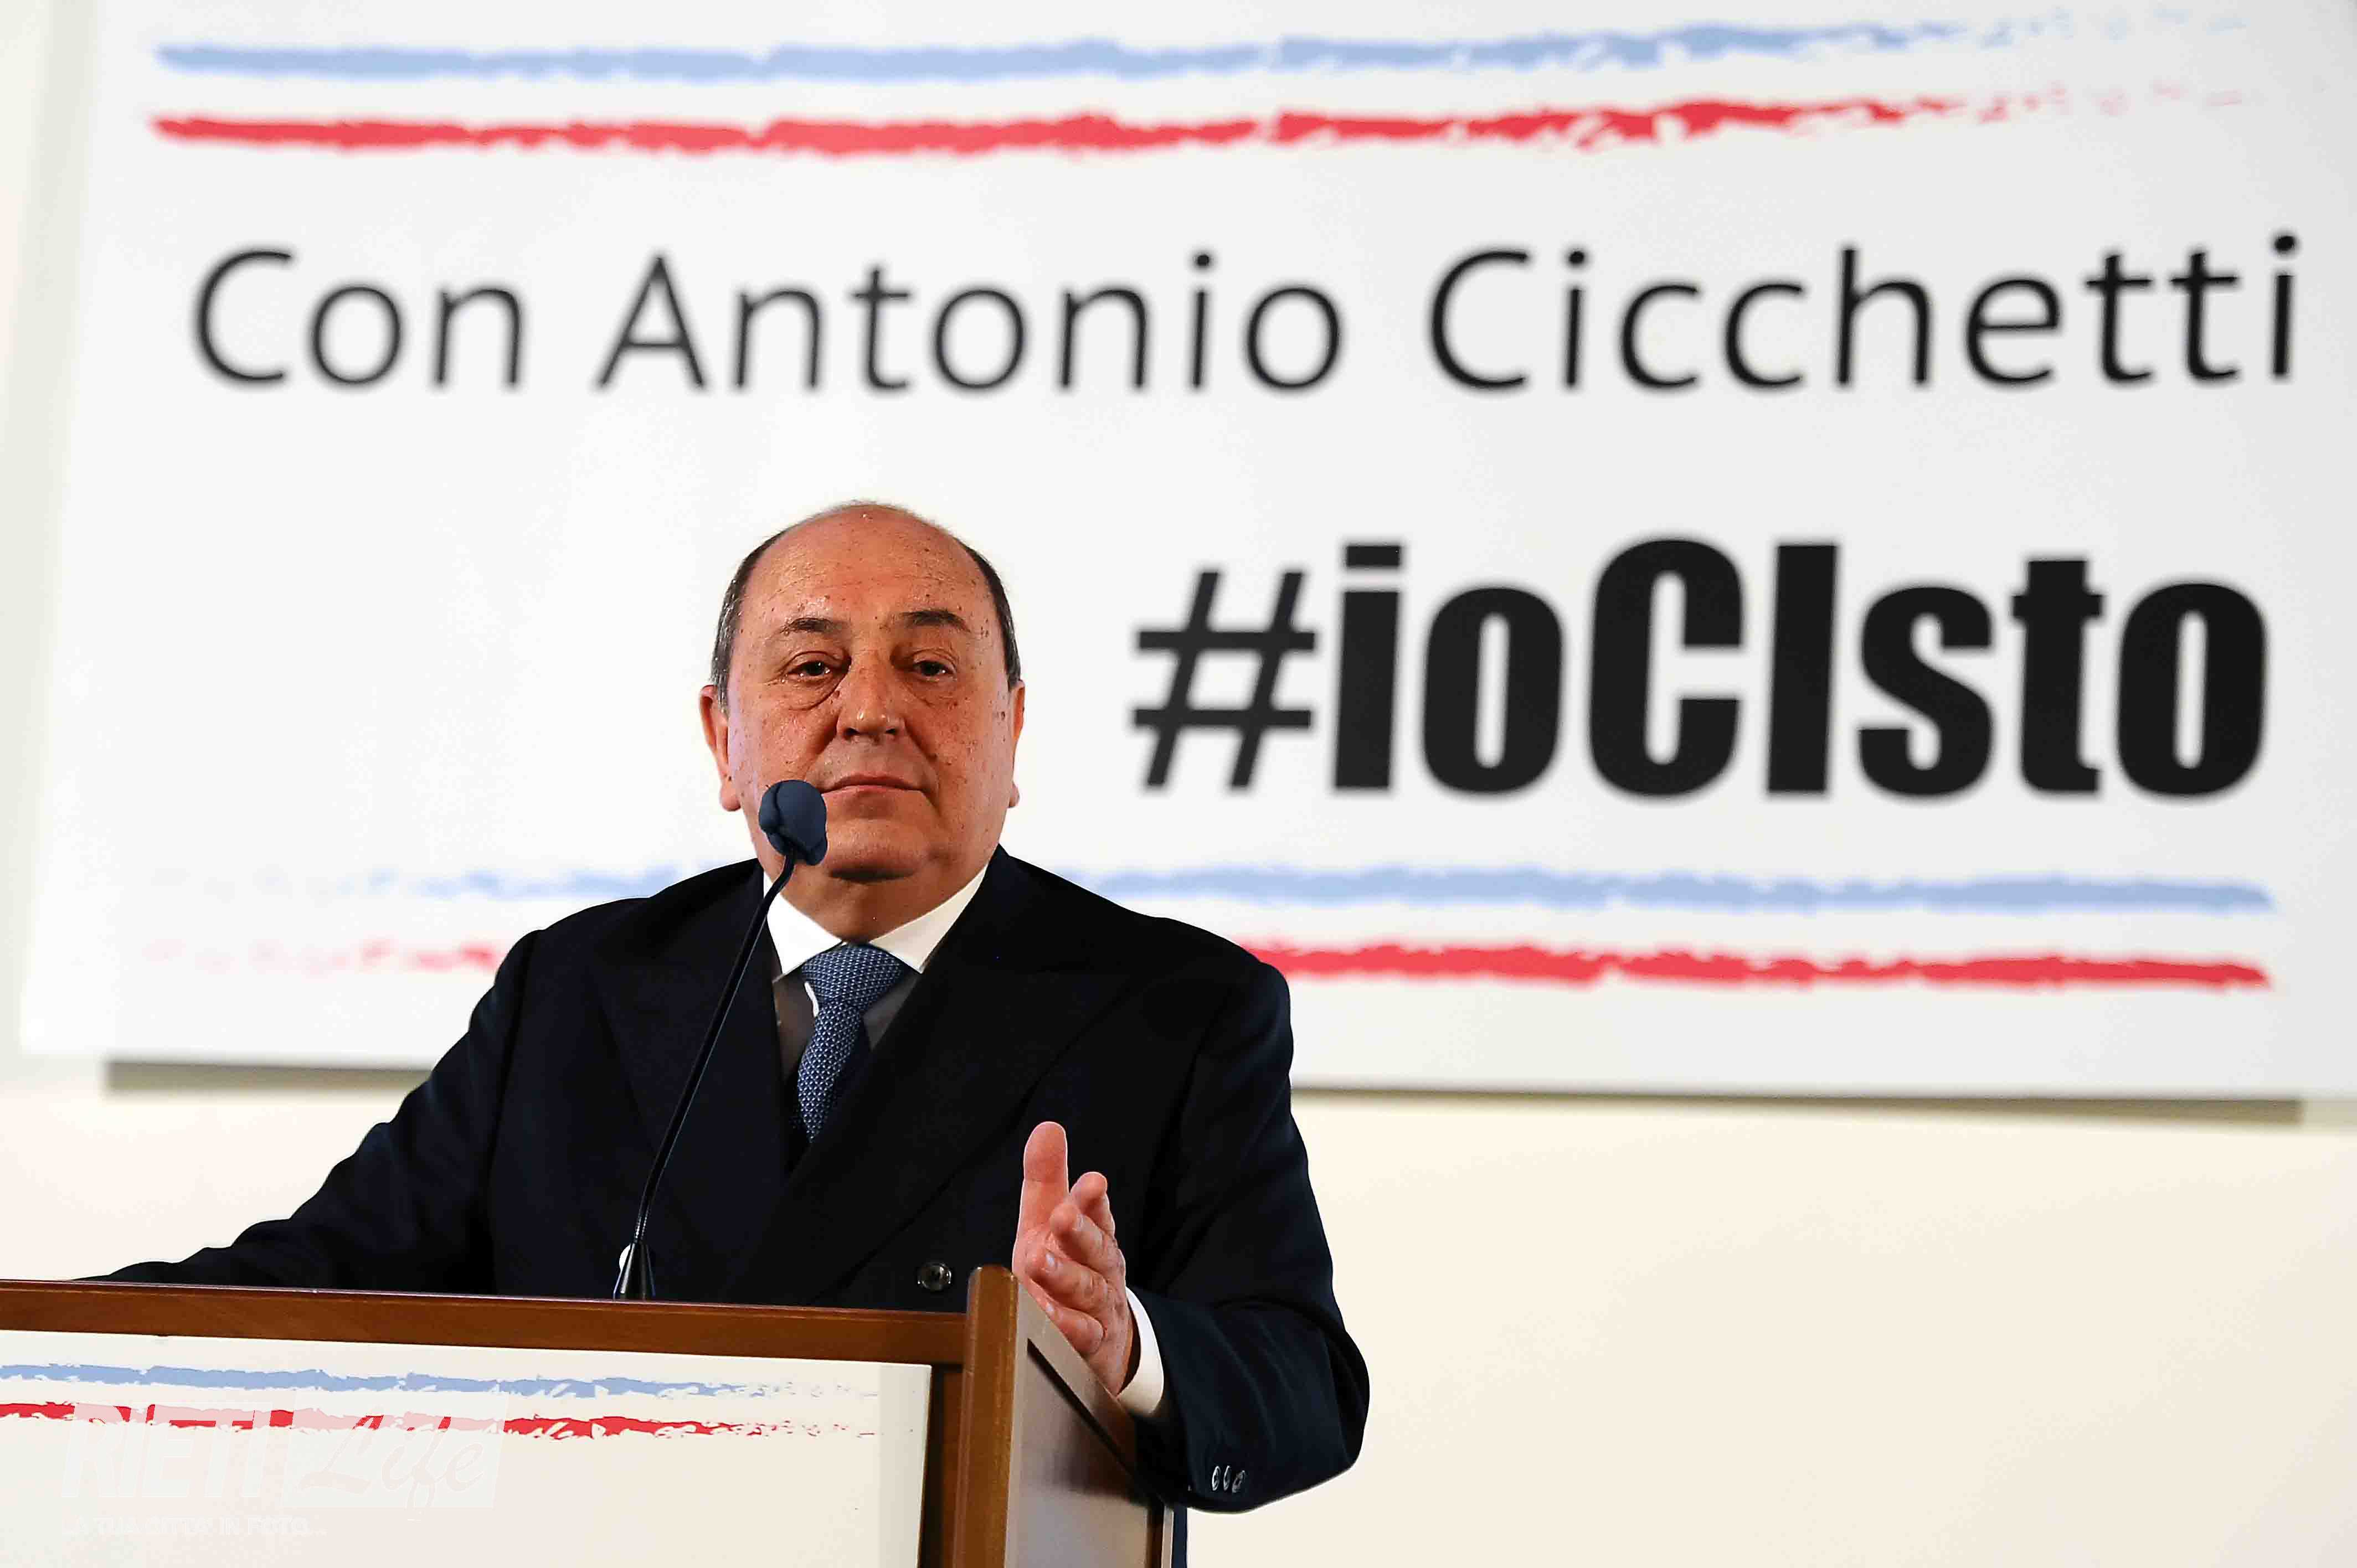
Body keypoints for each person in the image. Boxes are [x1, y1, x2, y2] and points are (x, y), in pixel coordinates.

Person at [110, 501, 1368, 1549]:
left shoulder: (1173, 1008)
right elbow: (321, 1279)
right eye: (813, 666)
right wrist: (54, 1340)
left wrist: (1123, 1344)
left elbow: (1303, 1388)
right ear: (725, 739)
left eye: (930, 667)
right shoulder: (582, 988)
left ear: (1012, 727)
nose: (870, 710)